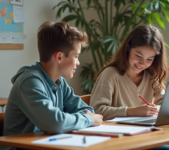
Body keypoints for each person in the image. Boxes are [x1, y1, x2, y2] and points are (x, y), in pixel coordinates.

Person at [2, 22, 103, 150]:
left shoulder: (59, 82)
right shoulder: (29, 82)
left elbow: (87, 110)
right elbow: (56, 123)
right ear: (59, 57)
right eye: (76, 56)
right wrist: (87, 119)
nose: (78, 63)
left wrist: (83, 118)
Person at [90, 24, 169, 150]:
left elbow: (165, 103)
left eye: (150, 59)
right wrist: (132, 111)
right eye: (138, 56)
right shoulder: (110, 75)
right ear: (127, 48)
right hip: (118, 143)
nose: (143, 63)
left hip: (145, 140)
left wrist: (157, 108)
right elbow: (96, 110)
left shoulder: (152, 75)